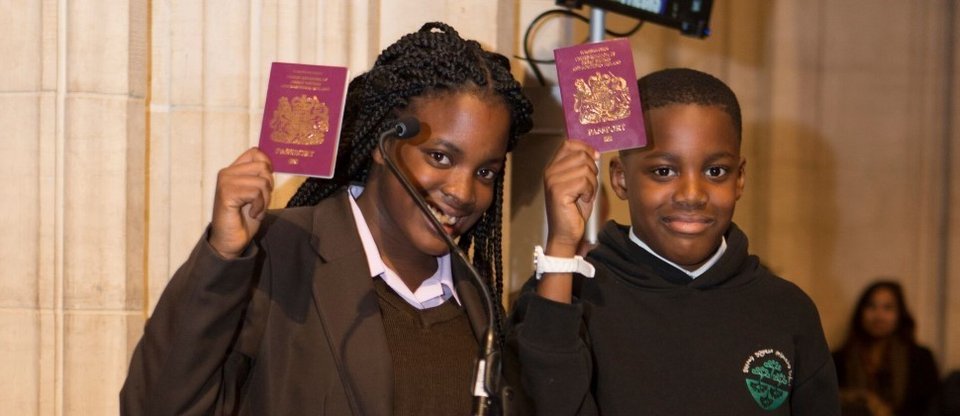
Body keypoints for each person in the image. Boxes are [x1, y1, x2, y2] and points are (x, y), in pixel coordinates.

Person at [121, 22, 533, 416]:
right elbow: (159, 405)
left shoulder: (476, 298)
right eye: (440, 157)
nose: (462, 193)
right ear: (382, 143)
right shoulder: (277, 253)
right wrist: (222, 258)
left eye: (485, 172)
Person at [508, 67, 840, 415]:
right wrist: (561, 244)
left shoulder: (786, 310)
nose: (692, 195)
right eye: (663, 171)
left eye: (716, 171)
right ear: (620, 179)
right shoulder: (565, 296)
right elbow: (546, 401)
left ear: (740, 179)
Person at [833, 280, 940, 416]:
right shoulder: (839, 359)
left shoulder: (920, 358)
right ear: (860, 312)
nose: (879, 316)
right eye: (871, 306)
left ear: (900, 315)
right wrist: (864, 399)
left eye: (888, 308)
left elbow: (930, 408)